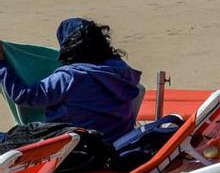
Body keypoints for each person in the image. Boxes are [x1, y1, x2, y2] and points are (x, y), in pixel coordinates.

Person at [0, 19, 143, 141]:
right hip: (117, 142)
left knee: (6, 138)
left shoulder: (70, 77)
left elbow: (24, 96)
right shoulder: (121, 70)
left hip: (78, 150)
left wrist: (2, 65)